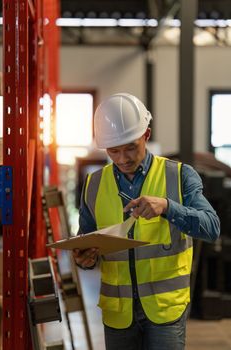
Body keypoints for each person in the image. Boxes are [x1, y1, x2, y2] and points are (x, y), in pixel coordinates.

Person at [73, 93, 220, 350]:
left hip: (165, 312)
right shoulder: (93, 184)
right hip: (118, 312)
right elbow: (86, 241)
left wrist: (168, 207)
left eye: (130, 147)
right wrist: (85, 258)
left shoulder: (179, 176)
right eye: (113, 151)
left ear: (147, 135)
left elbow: (211, 228)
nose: (122, 159)